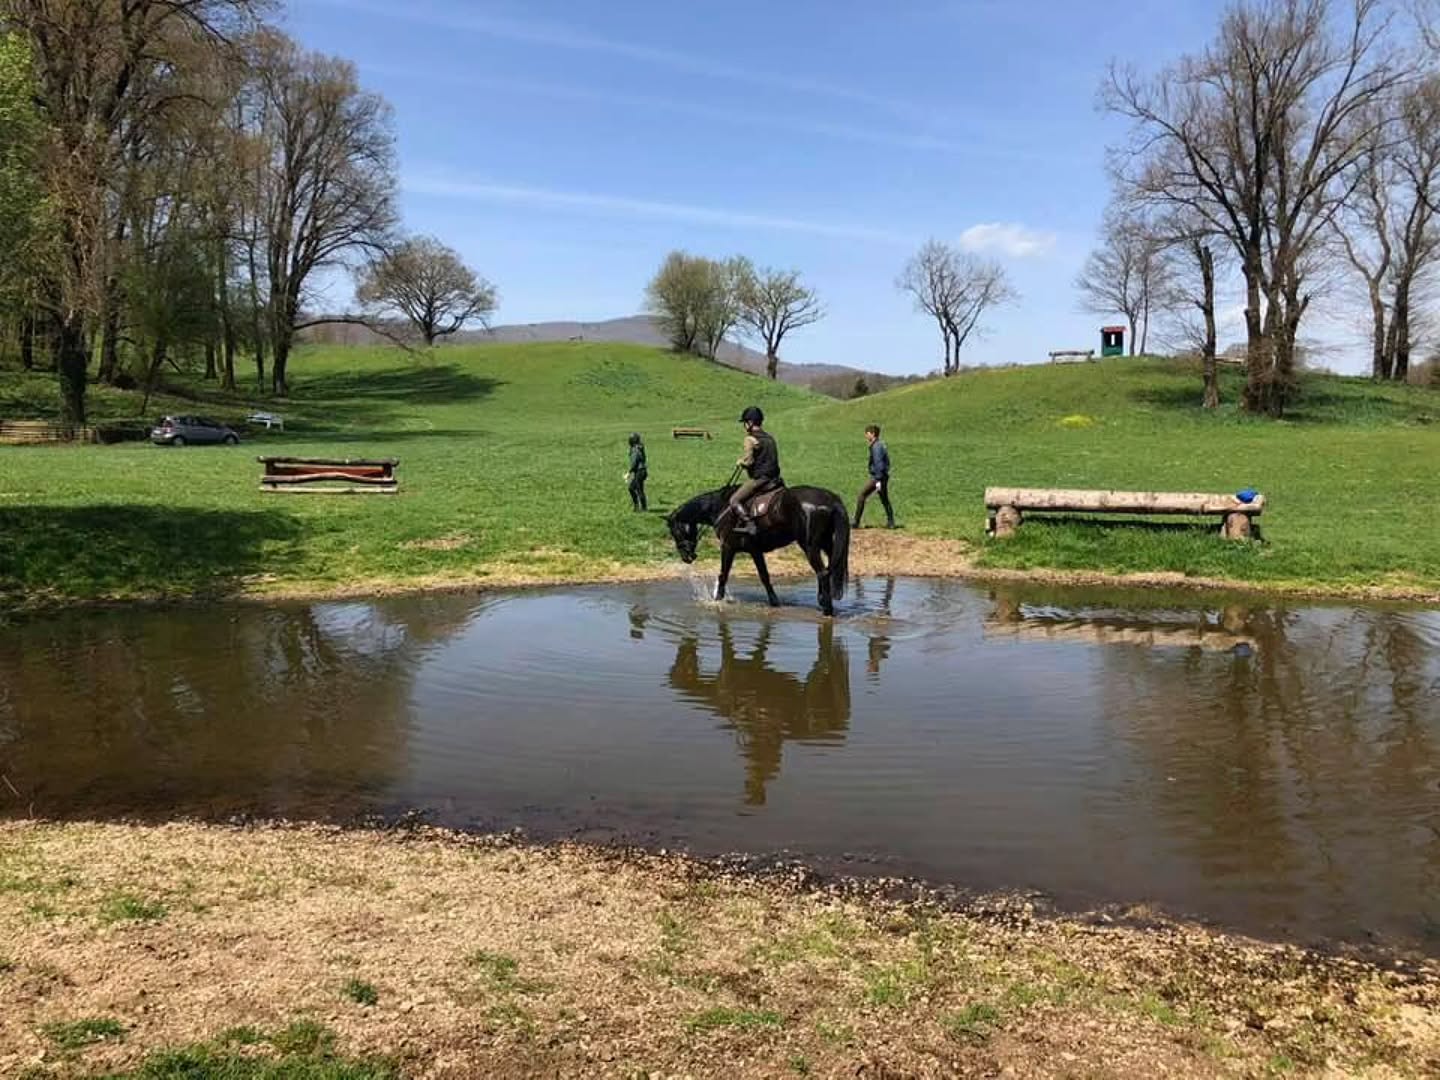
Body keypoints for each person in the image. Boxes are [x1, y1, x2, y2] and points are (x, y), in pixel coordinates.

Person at [725, 405, 782, 534]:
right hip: (775, 479)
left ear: (750, 422)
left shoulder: (750, 439)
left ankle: (750, 524)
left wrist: (741, 462)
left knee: (734, 500)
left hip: (760, 479)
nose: (744, 426)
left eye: (745, 423)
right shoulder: (770, 438)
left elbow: (749, 461)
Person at [854, 423, 894, 528]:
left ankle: (856, 522)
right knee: (884, 498)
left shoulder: (876, 447)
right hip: (881, 476)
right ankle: (891, 522)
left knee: (861, 495)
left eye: (867, 434)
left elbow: (879, 463)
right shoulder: (878, 445)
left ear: (872, 434)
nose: (866, 436)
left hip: (878, 477)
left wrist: (878, 480)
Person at [625, 432, 648, 511]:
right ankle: (641, 507)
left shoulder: (636, 449)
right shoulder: (639, 447)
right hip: (642, 472)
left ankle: (640, 507)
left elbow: (635, 462)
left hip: (640, 472)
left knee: (633, 488)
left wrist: (629, 472)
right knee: (637, 489)